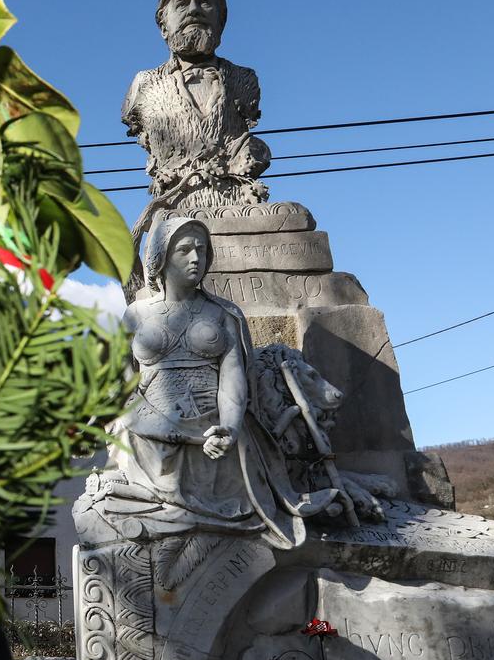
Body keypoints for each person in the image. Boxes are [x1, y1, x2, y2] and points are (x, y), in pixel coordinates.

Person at [91, 216, 335, 548]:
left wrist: (230, 429)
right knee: (130, 434)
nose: (195, 258)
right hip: (152, 425)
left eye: (202, 250)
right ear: (161, 257)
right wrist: (177, 432)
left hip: (215, 422)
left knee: (238, 448)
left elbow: (232, 381)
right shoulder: (135, 315)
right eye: (185, 250)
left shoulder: (223, 314)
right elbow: (123, 390)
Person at [121, 0, 272, 211]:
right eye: (182, 4)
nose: (194, 10)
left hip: (241, 208)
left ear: (221, 22)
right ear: (163, 26)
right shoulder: (144, 83)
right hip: (176, 211)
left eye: (204, 2)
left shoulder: (245, 79)